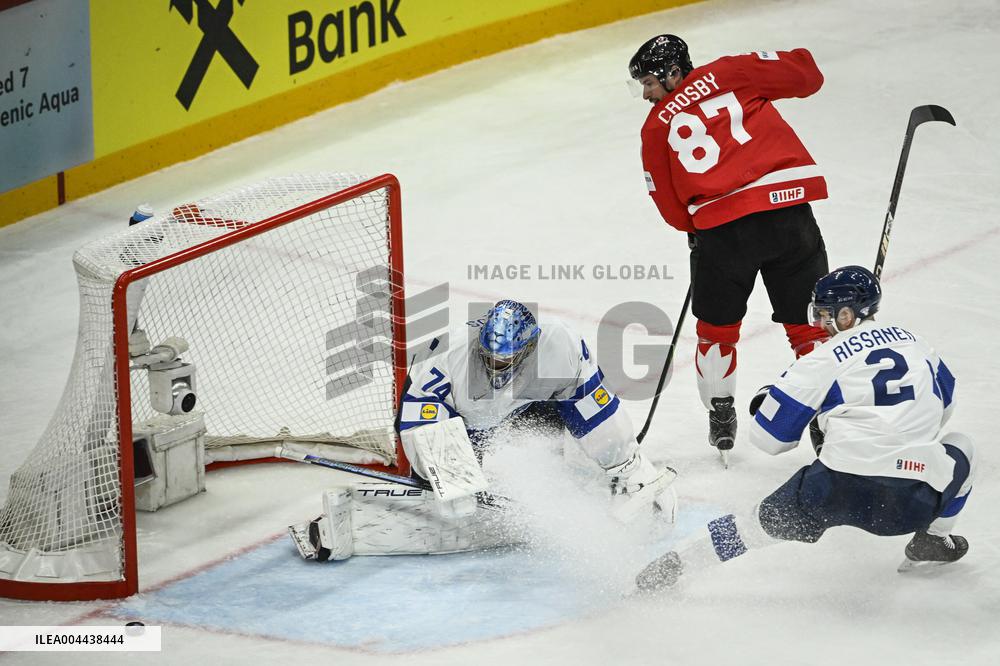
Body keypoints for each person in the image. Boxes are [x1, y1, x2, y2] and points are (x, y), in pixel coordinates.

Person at [634, 266, 975, 590]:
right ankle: (932, 539)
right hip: (913, 503)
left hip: (834, 490)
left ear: (847, 315)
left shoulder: (823, 359)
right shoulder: (916, 343)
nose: (821, 323)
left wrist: (779, 402)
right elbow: (945, 409)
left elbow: (770, 440)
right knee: (963, 446)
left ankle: (676, 564)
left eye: (826, 314)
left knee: (750, 527)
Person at [291, 299, 678, 561]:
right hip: (461, 423)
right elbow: (416, 419)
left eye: (506, 358)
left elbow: (593, 409)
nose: (495, 366)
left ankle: (607, 474)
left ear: (530, 346)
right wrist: (449, 476)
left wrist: (627, 465)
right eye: (490, 357)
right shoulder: (445, 358)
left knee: (564, 458)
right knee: (456, 502)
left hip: (526, 410)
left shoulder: (561, 345)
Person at [628, 35, 831, 457]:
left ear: (672, 73)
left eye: (649, 82)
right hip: (787, 212)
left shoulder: (655, 127)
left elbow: (668, 205)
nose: (646, 93)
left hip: (722, 231)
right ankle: (826, 420)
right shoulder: (731, 71)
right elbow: (808, 76)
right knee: (810, 323)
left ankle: (720, 413)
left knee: (716, 330)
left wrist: (700, 226)